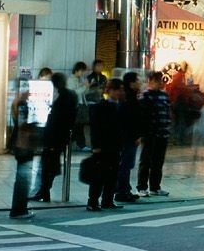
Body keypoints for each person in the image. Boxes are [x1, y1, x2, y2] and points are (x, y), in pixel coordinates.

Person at [33, 73, 79, 203]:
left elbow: (59, 119)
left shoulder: (64, 97)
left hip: (55, 136)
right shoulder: (68, 95)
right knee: (50, 164)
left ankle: (44, 191)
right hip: (59, 135)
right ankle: (43, 191)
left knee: (48, 164)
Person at [86, 78, 124, 211]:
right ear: (111, 90)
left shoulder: (120, 106)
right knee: (99, 175)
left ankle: (108, 200)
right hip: (103, 146)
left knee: (113, 174)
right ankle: (93, 201)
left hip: (115, 145)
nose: (120, 92)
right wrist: (95, 145)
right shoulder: (101, 106)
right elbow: (95, 128)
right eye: (118, 90)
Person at [8, 78, 41, 220]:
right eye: (27, 88)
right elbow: (23, 127)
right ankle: (19, 210)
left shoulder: (19, 103)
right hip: (24, 145)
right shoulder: (22, 104)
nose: (29, 91)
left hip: (22, 145)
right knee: (23, 179)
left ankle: (19, 209)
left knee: (23, 178)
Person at [137, 70, 173, 196]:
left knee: (158, 161)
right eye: (157, 81)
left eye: (161, 81)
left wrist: (168, 127)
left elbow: (168, 111)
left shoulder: (164, 95)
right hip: (150, 134)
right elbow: (142, 116)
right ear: (150, 81)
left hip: (163, 133)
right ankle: (142, 187)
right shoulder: (145, 95)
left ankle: (155, 186)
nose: (159, 83)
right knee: (146, 161)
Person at [115, 71, 144, 203]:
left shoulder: (129, 97)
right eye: (137, 80)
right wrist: (136, 135)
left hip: (128, 136)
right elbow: (131, 119)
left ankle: (125, 189)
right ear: (131, 83)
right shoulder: (129, 98)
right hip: (129, 137)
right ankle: (122, 191)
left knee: (126, 164)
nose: (140, 82)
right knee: (126, 165)